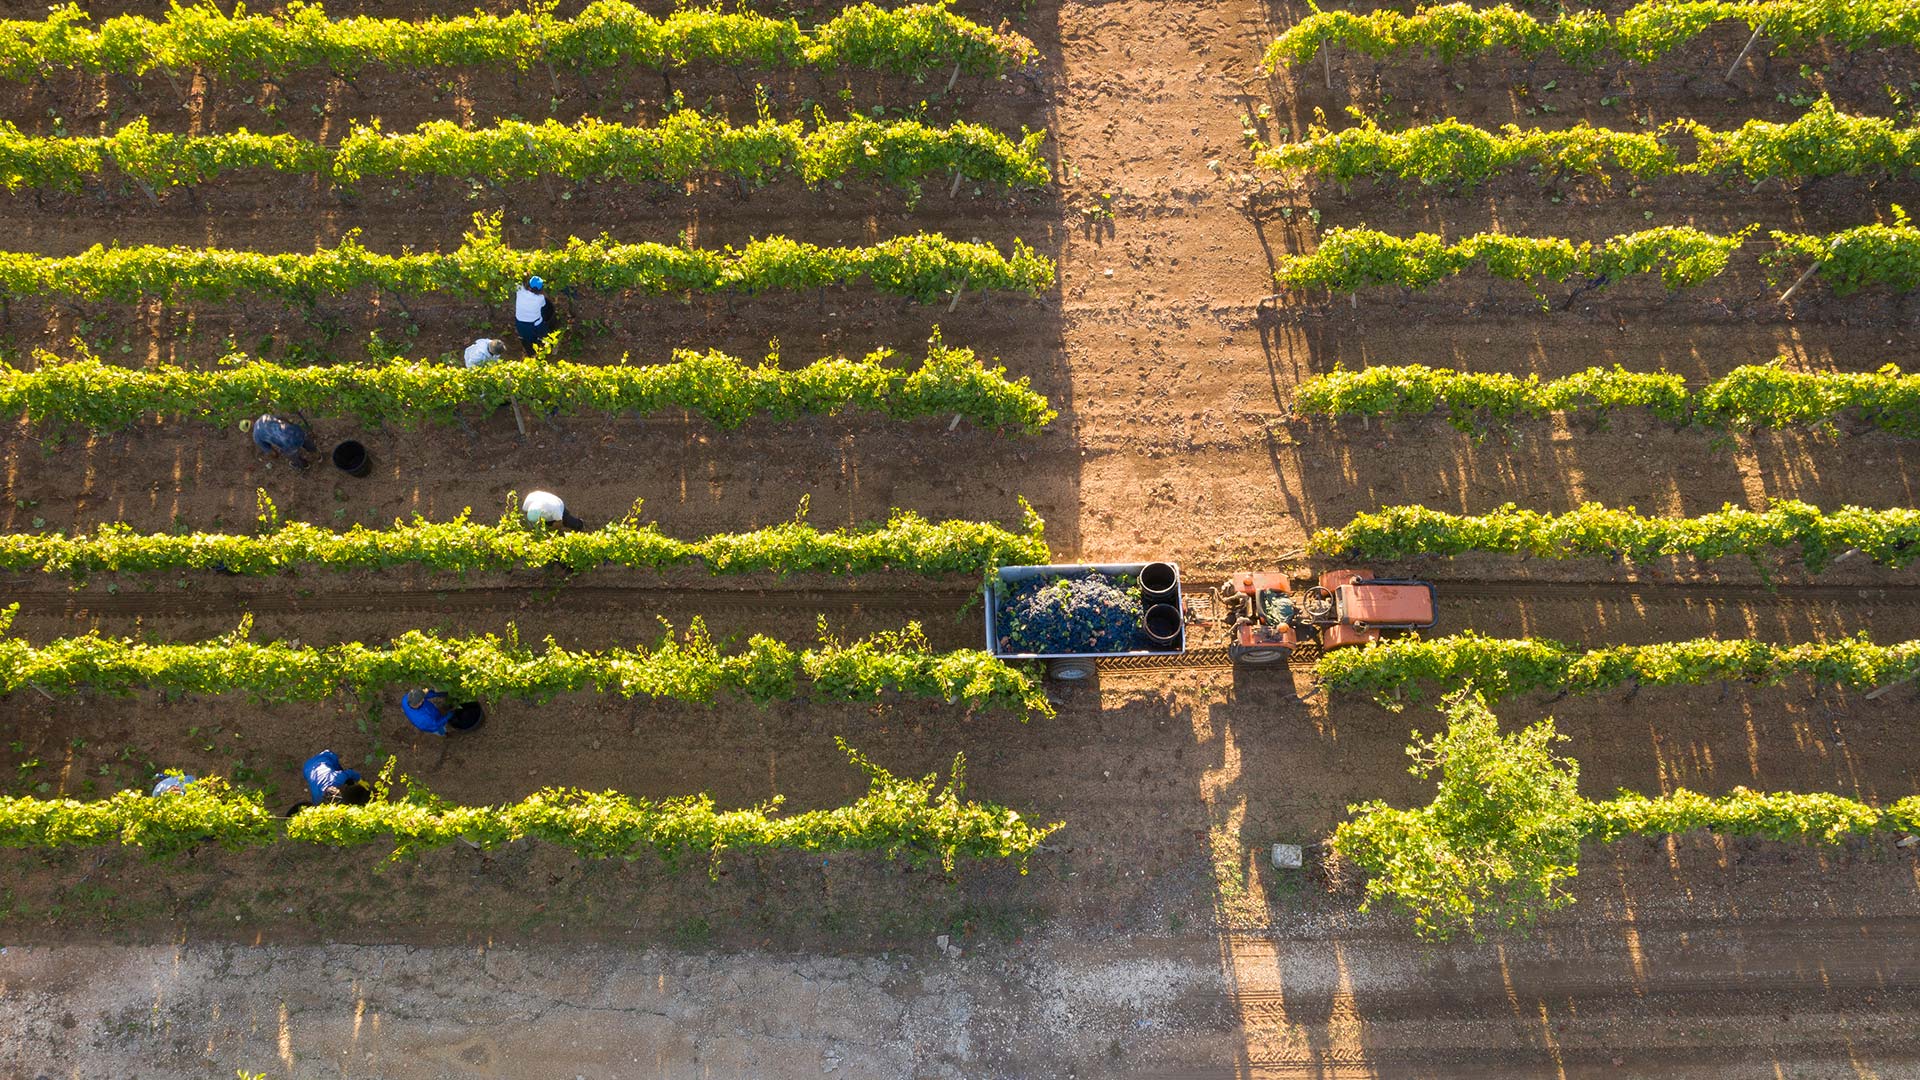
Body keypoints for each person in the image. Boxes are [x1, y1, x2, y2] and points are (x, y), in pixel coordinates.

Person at [288, 749, 370, 815]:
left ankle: (349, 784)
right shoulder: (317, 797)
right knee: (313, 781)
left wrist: (360, 780)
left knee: (340, 771)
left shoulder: (337, 778)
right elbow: (317, 807)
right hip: (308, 768)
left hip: (326, 758)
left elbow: (350, 773)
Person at [401, 688, 485, 736]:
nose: (424, 699)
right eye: (422, 700)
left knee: (437, 715)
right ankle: (446, 734)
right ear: (418, 703)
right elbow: (436, 724)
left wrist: (439, 694)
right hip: (434, 725)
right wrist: (448, 715)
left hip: (431, 712)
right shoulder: (423, 720)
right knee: (441, 730)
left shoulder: (407, 698)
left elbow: (426, 695)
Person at [250, 414, 315, 469]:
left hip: (287, 444)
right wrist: (290, 424)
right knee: (304, 440)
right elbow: (282, 418)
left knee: (292, 455)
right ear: (251, 421)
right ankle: (316, 454)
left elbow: (271, 452)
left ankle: (304, 465)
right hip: (293, 431)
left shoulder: (256, 437)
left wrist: (276, 456)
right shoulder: (264, 416)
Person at [513, 276, 554, 353]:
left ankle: (531, 352)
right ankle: (550, 346)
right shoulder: (540, 298)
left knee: (528, 339)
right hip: (534, 324)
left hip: (520, 323)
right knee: (545, 333)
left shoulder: (520, 290)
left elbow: (518, 280)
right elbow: (544, 306)